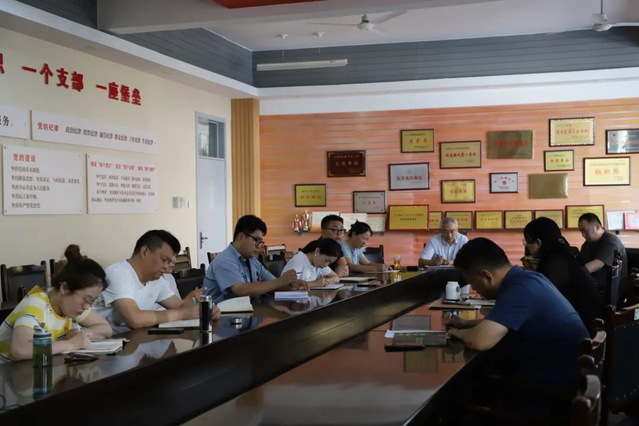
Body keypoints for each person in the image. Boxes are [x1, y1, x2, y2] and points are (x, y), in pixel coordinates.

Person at [446, 238, 589, 389]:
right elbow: (501, 324)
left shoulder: (520, 289)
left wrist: (455, 332)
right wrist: (465, 324)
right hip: (563, 374)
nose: (474, 289)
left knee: (467, 386)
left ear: (486, 276)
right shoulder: (525, 279)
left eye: (472, 283)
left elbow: (479, 340)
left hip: (555, 387)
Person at [95, 230, 220, 334]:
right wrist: (181, 314)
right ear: (144, 252)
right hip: (108, 344)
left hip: (137, 340)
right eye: (164, 260)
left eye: (168, 262)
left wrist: (206, 310)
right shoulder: (118, 273)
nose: (166, 266)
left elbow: (180, 306)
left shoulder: (155, 279)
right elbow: (134, 319)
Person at [0, 258, 112, 361]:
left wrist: (81, 334)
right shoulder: (36, 305)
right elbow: (20, 349)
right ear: (65, 288)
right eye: (86, 299)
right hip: (8, 372)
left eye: (92, 301)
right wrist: (71, 344)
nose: (87, 306)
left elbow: (106, 329)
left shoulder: (71, 305)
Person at [523, 217, 600, 336]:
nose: (526, 246)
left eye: (527, 242)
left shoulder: (552, 263)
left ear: (538, 243)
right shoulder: (568, 254)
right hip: (590, 326)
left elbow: (541, 303)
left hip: (578, 334)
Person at [203, 215, 303, 304]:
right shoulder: (225, 260)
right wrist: (280, 281)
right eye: (256, 240)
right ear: (241, 237)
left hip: (248, 311)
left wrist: (290, 284)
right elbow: (240, 290)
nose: (259, 246)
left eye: (261, 242)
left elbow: (271, 283)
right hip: (221, 316)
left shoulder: (252, 260)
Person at [578, 213, 628, 295]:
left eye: (585, 230)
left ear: (597, 227)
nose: (583, 235)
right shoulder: (587, 244)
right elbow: (581, 263)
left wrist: (575, 274)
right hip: (593, 286)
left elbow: (598, 264)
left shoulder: (611, 242)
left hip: (611, 291)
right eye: (581, 231)